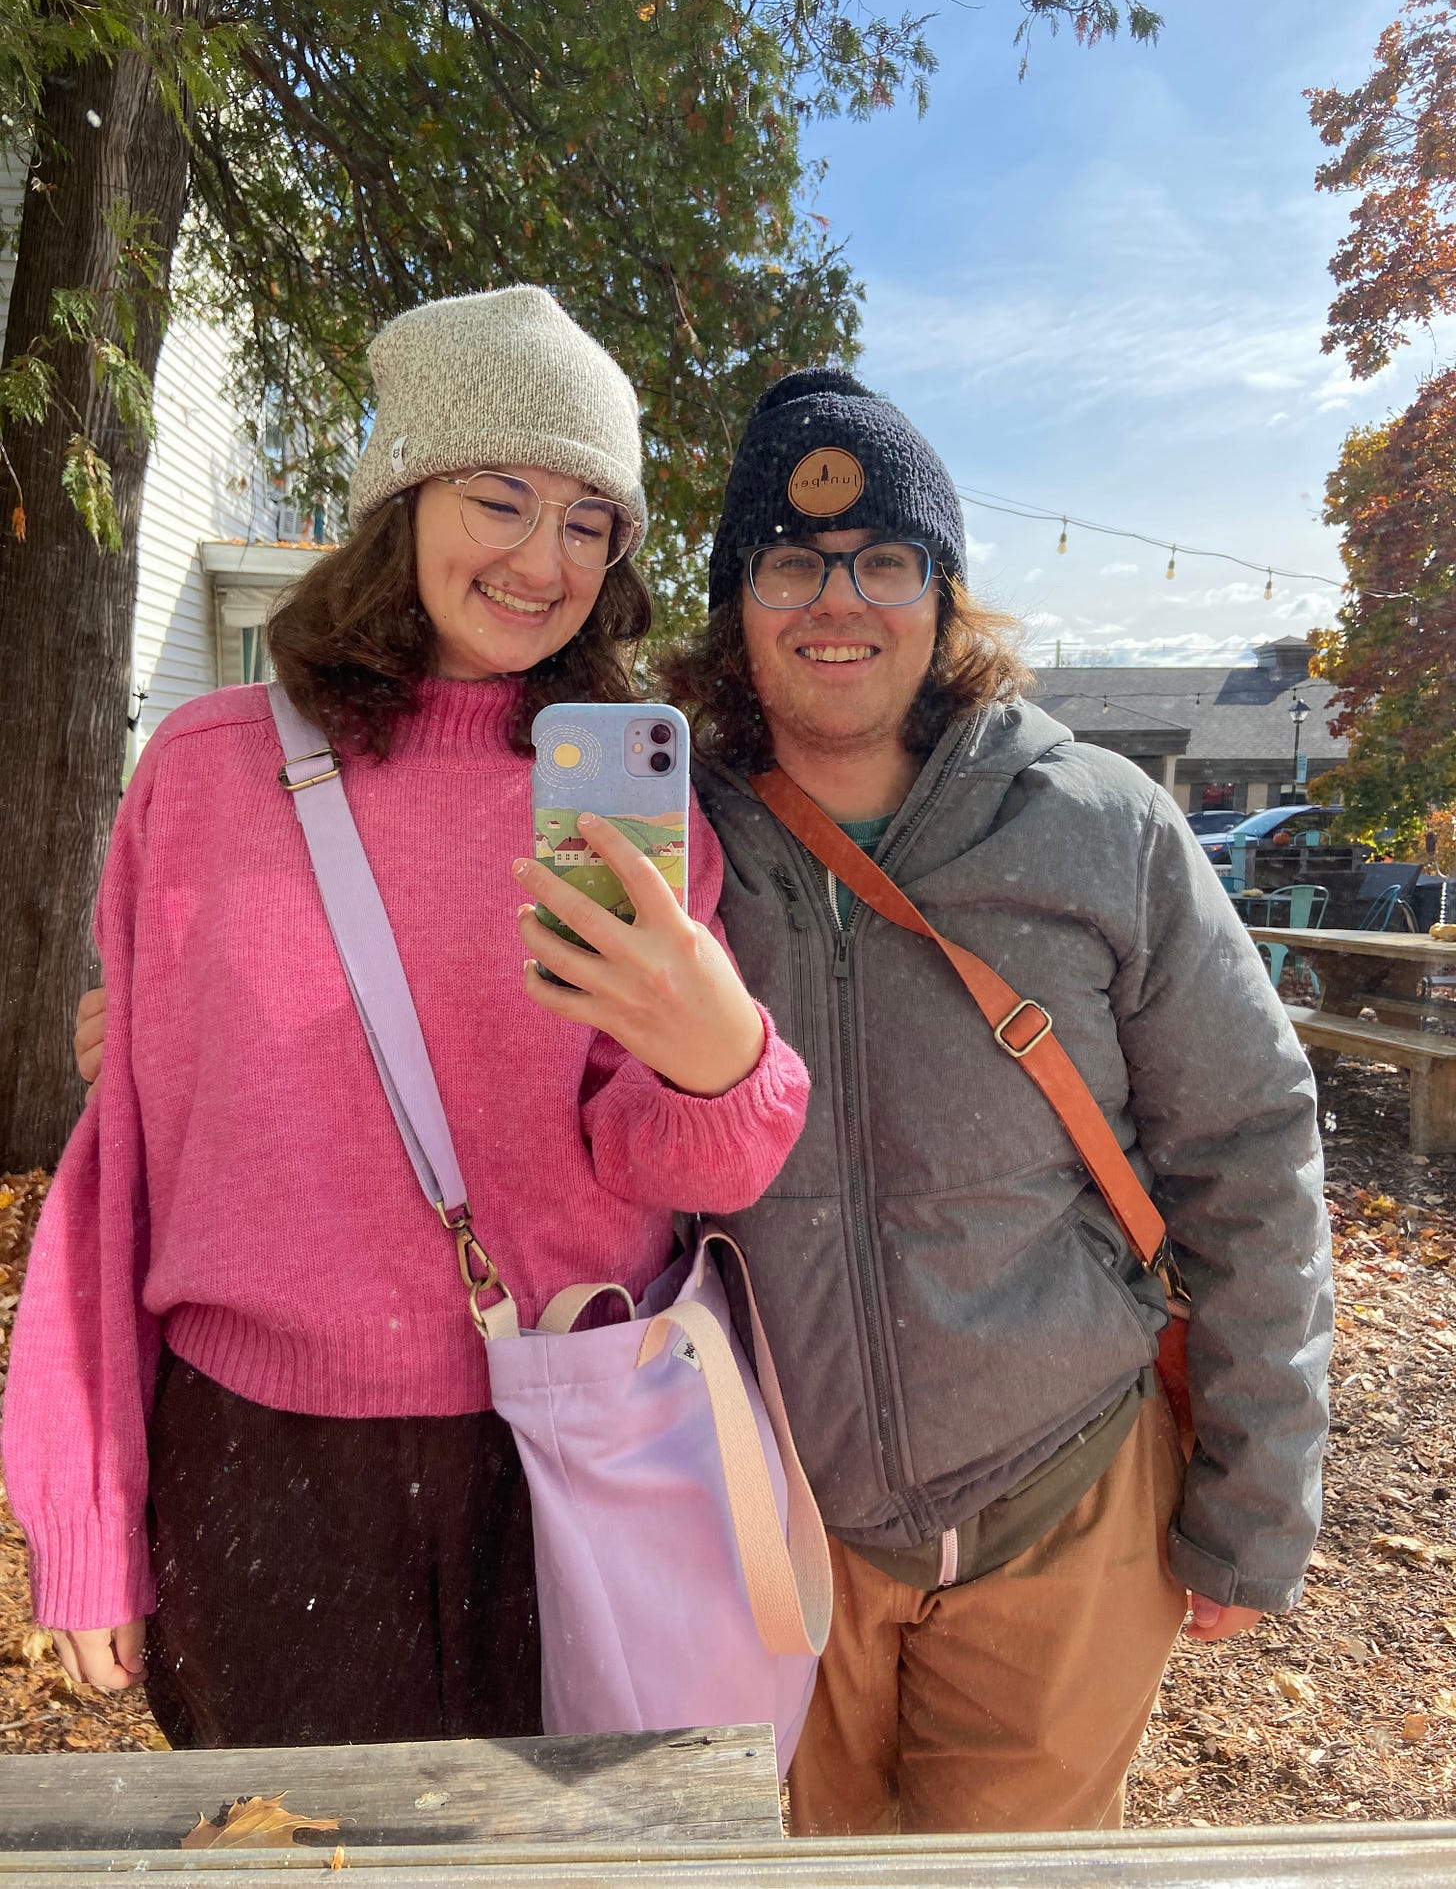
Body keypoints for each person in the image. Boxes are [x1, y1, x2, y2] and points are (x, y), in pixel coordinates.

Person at [4, 288, 809, 1751]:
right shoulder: (203, 774)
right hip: (261, 1472)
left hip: (570, 1445)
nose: (545, 559)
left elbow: (671, 1163)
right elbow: (123, 1162)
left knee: (563, 1856)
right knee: (295, 1845)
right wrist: (85, 1505)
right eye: (501, 497)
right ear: (400, 499)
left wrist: (720, 1066)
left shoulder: (625, 813)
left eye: (590, 523)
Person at [658, 368, 1333, 1836]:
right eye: (788, 562)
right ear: (734, 604)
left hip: (1065, 1512)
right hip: (772, 1527)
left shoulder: (1100, 826)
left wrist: (1257, 1495)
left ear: (944, 593)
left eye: (883, 560)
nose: (838, 602)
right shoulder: (671, 844)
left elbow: (1249, 1149)